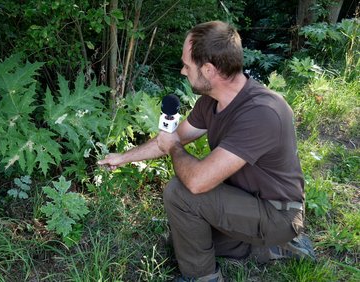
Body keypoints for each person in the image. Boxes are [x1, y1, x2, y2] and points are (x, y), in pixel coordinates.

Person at [98, 21, 315, 281]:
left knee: (181, 194)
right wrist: (122, 158)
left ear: (209, 70)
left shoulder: (262, 113)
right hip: (246, 201)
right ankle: (273, 248)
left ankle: (203, 277)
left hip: (277, 212)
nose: (182, 71)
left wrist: (174, 147)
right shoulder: (211, 102)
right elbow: (169, 140)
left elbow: (198, 181)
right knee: (177, 240)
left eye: (187, 65)